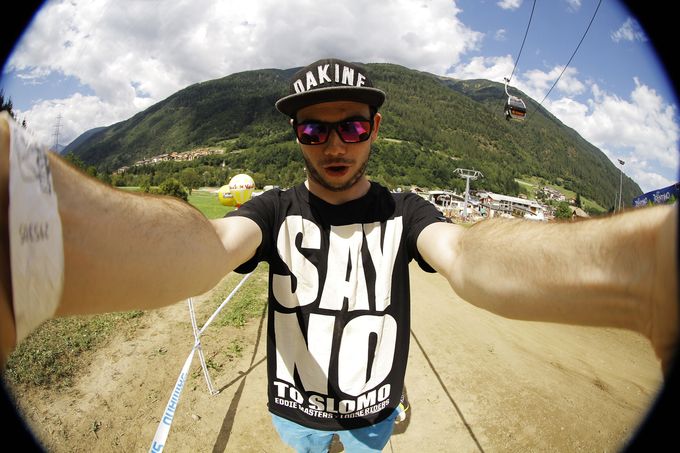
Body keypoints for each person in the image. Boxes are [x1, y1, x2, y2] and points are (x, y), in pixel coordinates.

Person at [0, 58, 677, 452]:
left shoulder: (406, 209)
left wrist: (639, 263)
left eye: (352, 125)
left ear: (375, 128)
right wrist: (40, 229)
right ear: (295, 133)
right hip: (293, 413)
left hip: (373, 415)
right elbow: (205, 250)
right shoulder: (272, 209)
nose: (334, 144)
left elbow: (469, 257)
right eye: (313, 128)